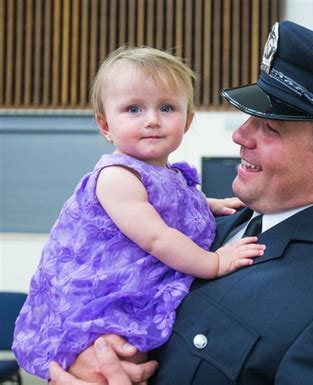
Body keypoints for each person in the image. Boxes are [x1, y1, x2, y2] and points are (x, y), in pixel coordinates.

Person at [53, 21, 313, 384]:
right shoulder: (207, 228)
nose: (240, 135)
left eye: (270, 127)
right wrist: (93, 355)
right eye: (248, 118)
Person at [12, 46, 265, 380]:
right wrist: (214, 263)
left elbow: (168, 204)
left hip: (130, 292)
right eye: (133, 109)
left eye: (167, 107)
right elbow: (156, 237)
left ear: (187, 120)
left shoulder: (166, 174)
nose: (152, 120)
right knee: (115, 360)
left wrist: (207, 204)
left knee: (135, 364)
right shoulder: (117, 176)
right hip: (99, 303)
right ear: (105, 125)